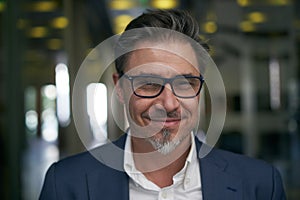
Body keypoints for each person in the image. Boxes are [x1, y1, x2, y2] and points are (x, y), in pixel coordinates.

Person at [39, 9, 286, 199]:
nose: (169, 103)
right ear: (121, 88)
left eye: (185, 83)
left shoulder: (261, 185)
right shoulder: (65, 185)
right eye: (148, 83)